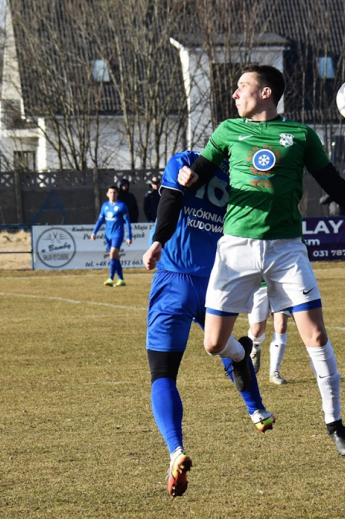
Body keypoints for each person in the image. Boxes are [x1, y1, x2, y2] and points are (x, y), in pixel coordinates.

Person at [177, 63, 345, 457]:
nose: (235, 94)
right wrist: (187, 179)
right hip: (235, 250)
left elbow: (335, 185)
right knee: (213, 344)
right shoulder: (226, 131)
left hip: (286, 251)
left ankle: (334, 423)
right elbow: (199, 172)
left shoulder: (301, 136)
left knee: (315, 335)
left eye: (242, 87)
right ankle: (241, 357)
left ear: (265, 93)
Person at [142, 151, 274, 497]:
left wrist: (158, 240)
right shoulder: (242, 176)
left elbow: (169, 202)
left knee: (163, 374)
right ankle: (257, 410)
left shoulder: (183, 160)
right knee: (226, 348)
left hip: (174, 279)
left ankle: (175, 449)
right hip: (218, 281)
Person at [247, 282, 292, 385]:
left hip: (280, 285)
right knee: (257, 331)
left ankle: (274, 372)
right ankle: (255, 348)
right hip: (257, 285)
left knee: (280, 325)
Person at [91, 185, 132, 286]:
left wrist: (129, 236)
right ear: (107, 194)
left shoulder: (122, 206)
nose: (112, 194)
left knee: (112, 254)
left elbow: (127, 222)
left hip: (118, 234)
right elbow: (100, 220)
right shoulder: (105, 206)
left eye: (114, 192)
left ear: (117, 194)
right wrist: (94, 232)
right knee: (116, 257)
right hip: (107, 235)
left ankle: (110, 278)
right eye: (111, 192)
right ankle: (121, 279)